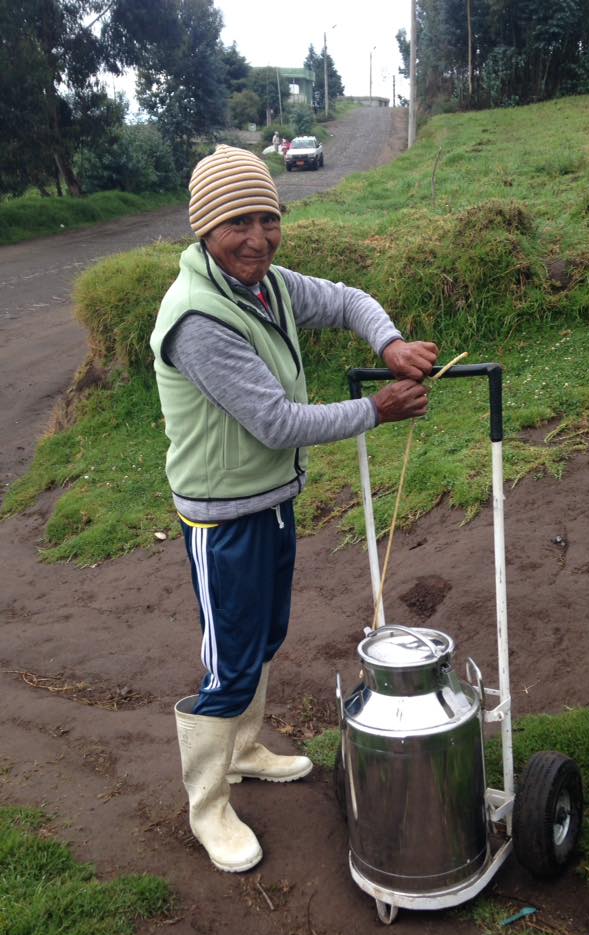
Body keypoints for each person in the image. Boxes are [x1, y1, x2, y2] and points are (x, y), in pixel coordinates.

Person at [150, 144, 438, 874]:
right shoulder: (197, 320)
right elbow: (276, 423)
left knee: (265, 635)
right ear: (204, 231)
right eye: (237, 224)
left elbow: (345, 300)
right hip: (222, 517)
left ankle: (243, 750)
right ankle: (208, 806)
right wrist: (376, 409)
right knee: (230, 662)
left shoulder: (267, 287)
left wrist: (390, 342)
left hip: (270, 498)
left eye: (268, 219)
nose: (258, 239)